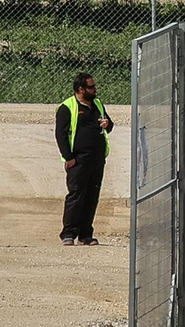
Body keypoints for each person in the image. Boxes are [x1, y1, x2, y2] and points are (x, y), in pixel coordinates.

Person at [56, 72, 112, 246]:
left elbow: (109, 125)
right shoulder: (67, 107)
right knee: (76, 195)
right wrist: (68, 157)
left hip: (96, 159)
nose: (95, 90)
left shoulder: (97, 104)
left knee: (92, 195)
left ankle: (86, 234)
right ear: (81, 89)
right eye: (91, 87)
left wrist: (107, 125)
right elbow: (61, 134)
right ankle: (68, 233)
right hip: (78, 160)